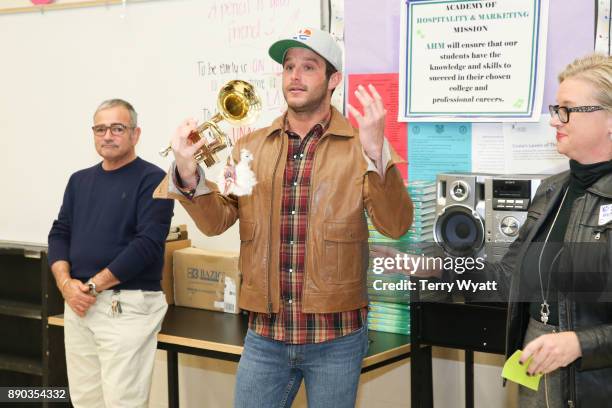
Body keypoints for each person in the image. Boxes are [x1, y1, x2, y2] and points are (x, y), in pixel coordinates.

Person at [154, 28, 413, 407]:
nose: (294, 75)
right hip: (265, 334)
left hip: (336, 337)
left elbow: (396, 224)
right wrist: (188, 173)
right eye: (288, 66)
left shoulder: (361, 147)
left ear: (333, 80)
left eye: (308, 67)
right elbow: (216, 221)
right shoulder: (250, 147)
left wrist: (377, 156)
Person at [408, 53, 612, 408]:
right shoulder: (553, 191)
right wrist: (444, 267)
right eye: (555, 108)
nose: (554, 121)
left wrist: (580, 343)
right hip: (538, 374)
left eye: (567, 109)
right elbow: (507, 279)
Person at [48, 99, 174, 408]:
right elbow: (59, 233)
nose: (108, 136)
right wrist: (66, 285)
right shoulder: (78, 181)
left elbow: (146, 245)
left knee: (122, 403)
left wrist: (91, 286)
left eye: (117, 128)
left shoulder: (154, 180)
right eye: (100, 129)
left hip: (126, 307)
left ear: (135, 134)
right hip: (78, 305)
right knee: (85, 400)